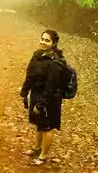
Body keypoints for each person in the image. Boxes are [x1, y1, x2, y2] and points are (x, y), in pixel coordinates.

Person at [20, 29, 68, 165]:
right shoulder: (37, 54)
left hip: (49, 97)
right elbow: (30, 74)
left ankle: (44, 155)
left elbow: (52, 86)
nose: (43, 42)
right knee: (38, 123)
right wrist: (24, 91)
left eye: (47, 40)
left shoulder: (55, 62)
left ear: (54, 43)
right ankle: (36, 147)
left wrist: (42, 104)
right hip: (36, 93)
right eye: (42, 39)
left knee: (46, 126)